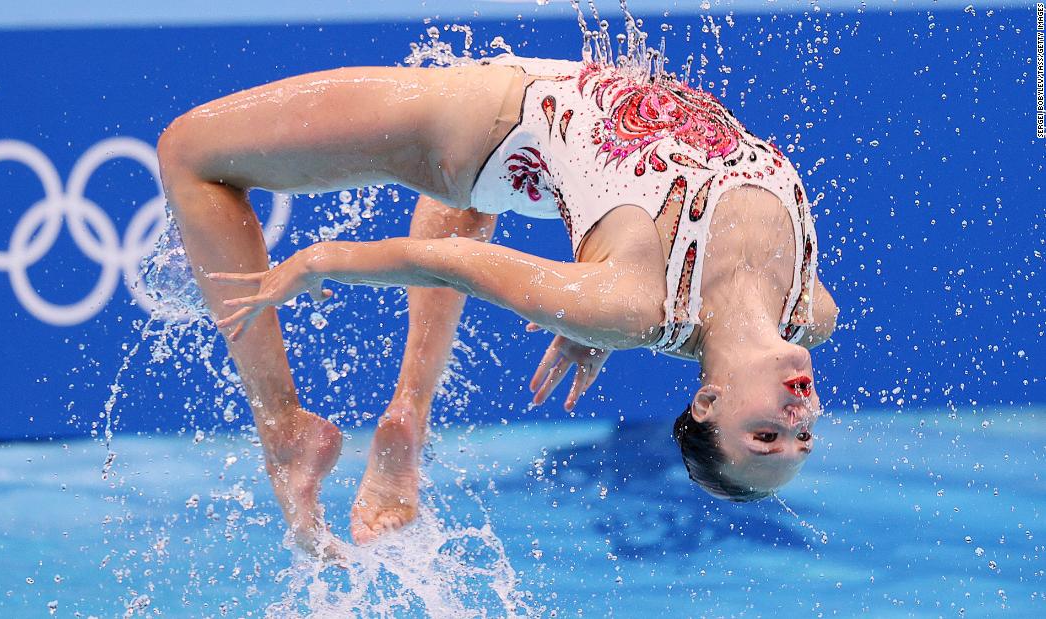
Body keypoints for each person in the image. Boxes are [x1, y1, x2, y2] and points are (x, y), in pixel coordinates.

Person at [154, 53, 838, 550]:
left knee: (190, 152)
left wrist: (323, 258)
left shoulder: (633, 304)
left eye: (765, 436)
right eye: (800, 436)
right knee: (475, 204)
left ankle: (283, 431)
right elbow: (685, 277)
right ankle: (407, 420)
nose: (793, 417)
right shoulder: (808, 306)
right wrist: (589, 310)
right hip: (535, 165)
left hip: (485, 125)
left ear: (709, 402)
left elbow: (455, 266)